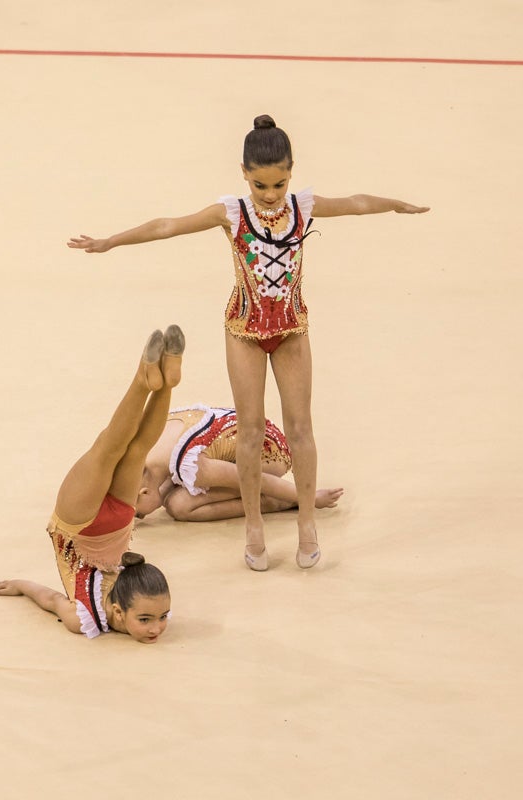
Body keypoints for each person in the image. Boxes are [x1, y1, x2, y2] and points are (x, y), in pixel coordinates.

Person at [68, 115, 427, 570]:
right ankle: (254, 526)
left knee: (301, 428)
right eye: (260, 185)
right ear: (244, 173)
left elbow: (356, 202)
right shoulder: (231, 212)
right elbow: (167, 226)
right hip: (244, 331)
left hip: (291, 328)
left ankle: (307, 524)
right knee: (251, 430)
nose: (271, 194)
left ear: (292, 171)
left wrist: (396, 204)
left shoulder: (304, 206)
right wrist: (110, 242)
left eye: (279, 183)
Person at [0, 327, 183, 642]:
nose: (157, 627)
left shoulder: (98, 612)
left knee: (126, 449)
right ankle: (146, 378)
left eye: (160, 617)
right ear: (118, 612)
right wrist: (23, 585)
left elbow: (49, 599)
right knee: (109, 451)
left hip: (119, 524)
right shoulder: (84, 618)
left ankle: (164, 383)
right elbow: (52, 599)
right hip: (76, 529)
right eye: (151, 618)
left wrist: (20, 586)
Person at [134, 406, 344, 541]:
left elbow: (251, 477)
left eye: (138, 514)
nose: (142, 517)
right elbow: (166, 482)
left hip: (269, 454)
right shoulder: (152, 447)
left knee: (179, 505)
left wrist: (310, 498)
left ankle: (281, 502)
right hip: (248, 433)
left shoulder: (194, 467)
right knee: (172, 497)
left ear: (144, 492)